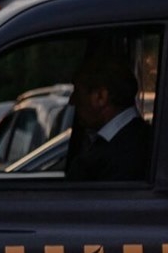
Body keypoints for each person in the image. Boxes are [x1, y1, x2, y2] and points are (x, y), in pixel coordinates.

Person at [64, 53, 152, 182]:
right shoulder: (140, 139)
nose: (71, 101)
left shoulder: (124, 155)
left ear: (101, 97)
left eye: (77, 92)